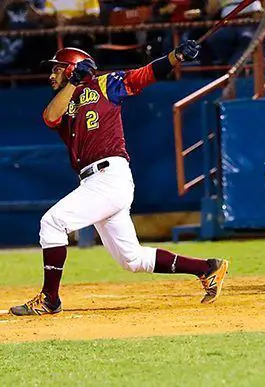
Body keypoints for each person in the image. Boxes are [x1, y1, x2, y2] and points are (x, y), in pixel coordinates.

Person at [8, 43, 229, 316]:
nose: (51, 75)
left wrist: (176, 56)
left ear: (72, 67)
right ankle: (207, 268)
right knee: (132, 259)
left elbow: (144, 75)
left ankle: (49, 299)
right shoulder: (64, 101)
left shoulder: (104, 85)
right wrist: (73, 81)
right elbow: (50, 117)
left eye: (57, 69)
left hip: (109, 176)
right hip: (93, 182)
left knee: (52, 222)